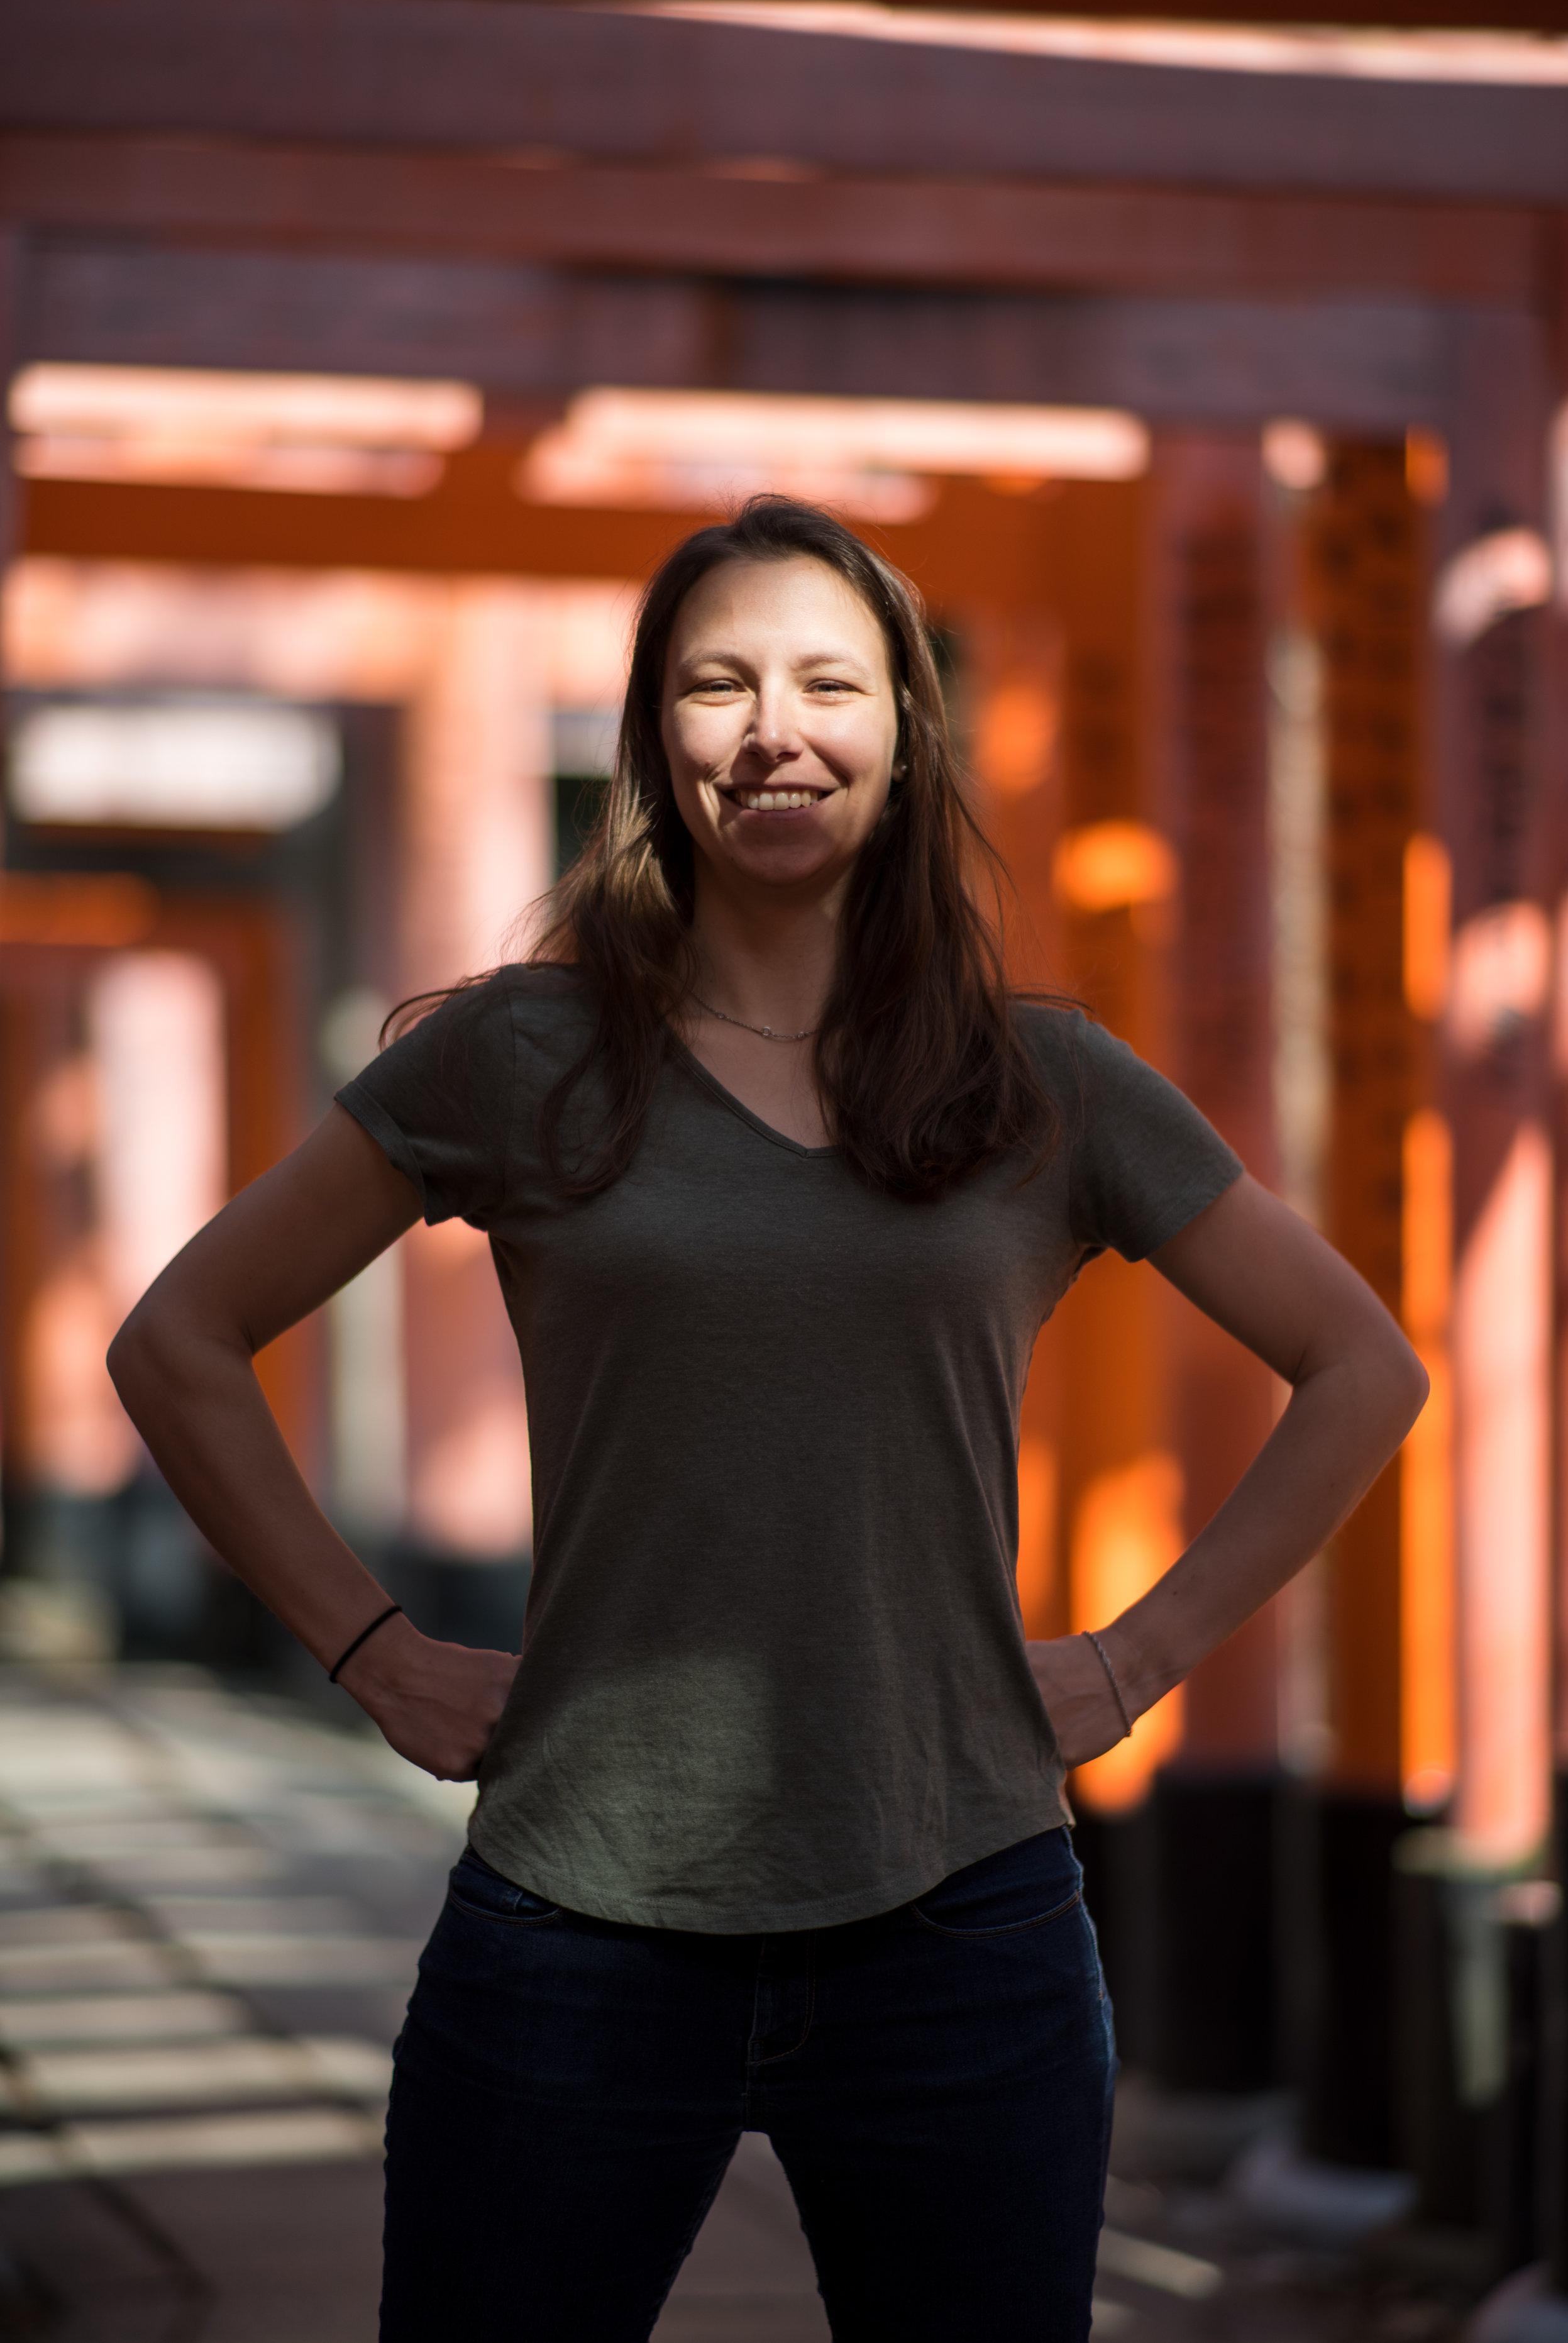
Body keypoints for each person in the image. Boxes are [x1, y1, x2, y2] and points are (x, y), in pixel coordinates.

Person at [109, 496, 1426, 2343]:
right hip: (575, 1917)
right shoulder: (515, 1056)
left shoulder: (1040, 1079)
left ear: (904, 728)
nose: (770, 727)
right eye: (716, 683)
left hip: (960, 1923)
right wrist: (371, 1646)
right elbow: (178, 1339)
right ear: (656, 733)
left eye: (827, 680)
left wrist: (1141, 1659)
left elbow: (1363, 1365)